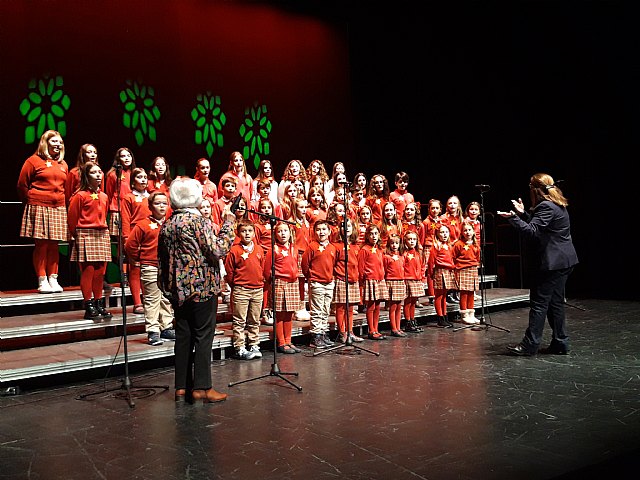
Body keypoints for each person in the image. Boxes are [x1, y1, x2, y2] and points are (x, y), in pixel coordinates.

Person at [158, 176, 238, 405]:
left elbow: (161, 260)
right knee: (204, 335)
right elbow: (219, 250)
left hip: (178, 290)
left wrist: (167, 286)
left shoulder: (168, 224)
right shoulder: (198, 222)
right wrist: (229, 221)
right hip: (201, 287)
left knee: (183, 336)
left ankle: (182, 387)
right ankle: (202, 388)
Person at [499, 173, 578, 356]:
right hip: (564, 261)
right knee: (555, 303)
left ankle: (530, 345)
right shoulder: (557, 204)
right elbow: (541, 226)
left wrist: (513, 218)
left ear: (535, 189)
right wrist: (523, 214)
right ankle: (561, 342)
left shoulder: (545, 206)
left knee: (539, 303)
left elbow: (533, 232)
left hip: (553, 263)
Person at [17, 130, 69, 293]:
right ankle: (42, 279)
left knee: (54, 245)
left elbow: (65, 188)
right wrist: (33, 200)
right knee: (41, 245)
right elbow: (21, 185)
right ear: (45, 143)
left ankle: (53, 278)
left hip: (58, 207)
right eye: (54, 141)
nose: (57, 144)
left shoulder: (63, 164)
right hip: (39, 205)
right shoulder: (33, 161)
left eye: (59, 142)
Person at [125, 191, 176, 345]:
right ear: (150, 206)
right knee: (152, 299)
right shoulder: (143, 224)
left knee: (166, 298)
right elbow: (130, 245)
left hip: (167, 268)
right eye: (157, 203)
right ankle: (153, 330)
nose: (161, 206)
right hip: (150, 266)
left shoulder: (170, 223)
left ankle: (166, 327)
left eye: (164, 203)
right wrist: (139, 258)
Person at [67, 161, 112, 320]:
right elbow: (72, 219)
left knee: (100, 272)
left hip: (101, 233)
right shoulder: (79, 196)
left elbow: (104, 214)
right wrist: (78, 235)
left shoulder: (104, 196)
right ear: (86, 176)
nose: (99, 175)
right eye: (94, 172)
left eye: (100, 172)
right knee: (88, 271)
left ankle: (99, 302)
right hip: (85, 233)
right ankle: (88, 304)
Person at [224, 219, 266, 360]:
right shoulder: (234, 250)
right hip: (241, 289)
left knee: (254, 319)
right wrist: (236, 285)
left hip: (257, 289)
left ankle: (254, 344)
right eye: (243, 231)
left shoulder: (259, 249)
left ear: (254, 233)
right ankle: (240, 347)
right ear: (238, 233)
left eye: (249, 231)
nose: (247, 234)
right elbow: (229, 272)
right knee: (239, 320)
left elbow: (262, 267)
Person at [264, 221, 303, 354]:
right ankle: (281, 342)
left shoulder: (294, 248)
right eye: (279, 231)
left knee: (289, 314)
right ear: (275, 234)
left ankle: (288, 340)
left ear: (290, 233)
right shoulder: (273, 249)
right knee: (280, 315)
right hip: (279, 283)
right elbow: (266, 270)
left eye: (285, 231)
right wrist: (273, 281)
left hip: (293, 283)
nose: (283, 234)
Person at [301, 219, 337, 349]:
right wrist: (311, 276)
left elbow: (333, 264)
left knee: (325, 310)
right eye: (318, 229)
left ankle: (323, 333)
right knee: (316, 310)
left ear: (329, 231)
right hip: (317, 283)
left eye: (324, 229)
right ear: (314, 232)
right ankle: (315, 336)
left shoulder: (332, 248)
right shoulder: (312, 246)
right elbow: (305, 264)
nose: (321, 232)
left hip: (329, 283)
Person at [332, 218, 363, 343]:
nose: (347, 228)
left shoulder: (355, 246)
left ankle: (350, 331)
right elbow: (333, 264)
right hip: (341, 279)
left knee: (350, 308)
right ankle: (342, 332)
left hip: (353, 279)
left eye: (349, 225)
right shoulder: (336, 246)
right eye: (344, 226)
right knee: (341, 308)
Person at [357, 224, 388, 340]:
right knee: (371, 305)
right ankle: (371, 330)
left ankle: (376, 328)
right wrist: (362, 281)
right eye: (371, 234)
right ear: (367, 236)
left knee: (378, 305)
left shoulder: (379, 249)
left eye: (376, 233)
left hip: (379, 280)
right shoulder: (364, 250)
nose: (374, 236)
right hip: (370, 280)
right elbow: (360, 267)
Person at [452, 222, 481, 325]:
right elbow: (453, 257)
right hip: (462, 269)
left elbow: (477, 257)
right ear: (462, 232)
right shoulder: (459, 244)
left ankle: (471, 314)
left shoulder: (475, 245)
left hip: (472, 269)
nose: (467, 232)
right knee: (464, 293)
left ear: (473, 231)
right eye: (465, 230)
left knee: (471, 292)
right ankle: (464, 314)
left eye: (469, 230)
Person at [427, 224, 456, 328]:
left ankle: (445, 315)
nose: (444, 234)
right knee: (439, 296)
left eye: (446, 232)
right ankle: (440, 317)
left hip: (447, 271)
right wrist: (430, 274)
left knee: (444, 295)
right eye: (442, 232)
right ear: (437, 234)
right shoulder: (435, 246)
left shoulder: (448, 246)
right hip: (439, 271)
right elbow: (431, 261)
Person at [383, 233, 407, 337]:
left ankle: (398, 327)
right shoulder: (386, 257)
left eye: (396, 243)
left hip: (400, 282)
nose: (394, 245)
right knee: (392, 307)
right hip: (391, 282)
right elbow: (384, 270)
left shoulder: (401, 256)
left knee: (399, 306)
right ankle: (393, 328)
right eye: (392, 243)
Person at [402, 231, 424, 333]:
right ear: (405, 241)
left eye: (414, 239)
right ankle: (408, 322)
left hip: (416, 279)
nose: (412, 241)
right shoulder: (404, 254)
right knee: (408, 301)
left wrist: (421, 278)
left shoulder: (418, 253)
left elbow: (421, 266)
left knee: (414, 301)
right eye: (409, 239)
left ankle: (412, 319)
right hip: (408, 279)